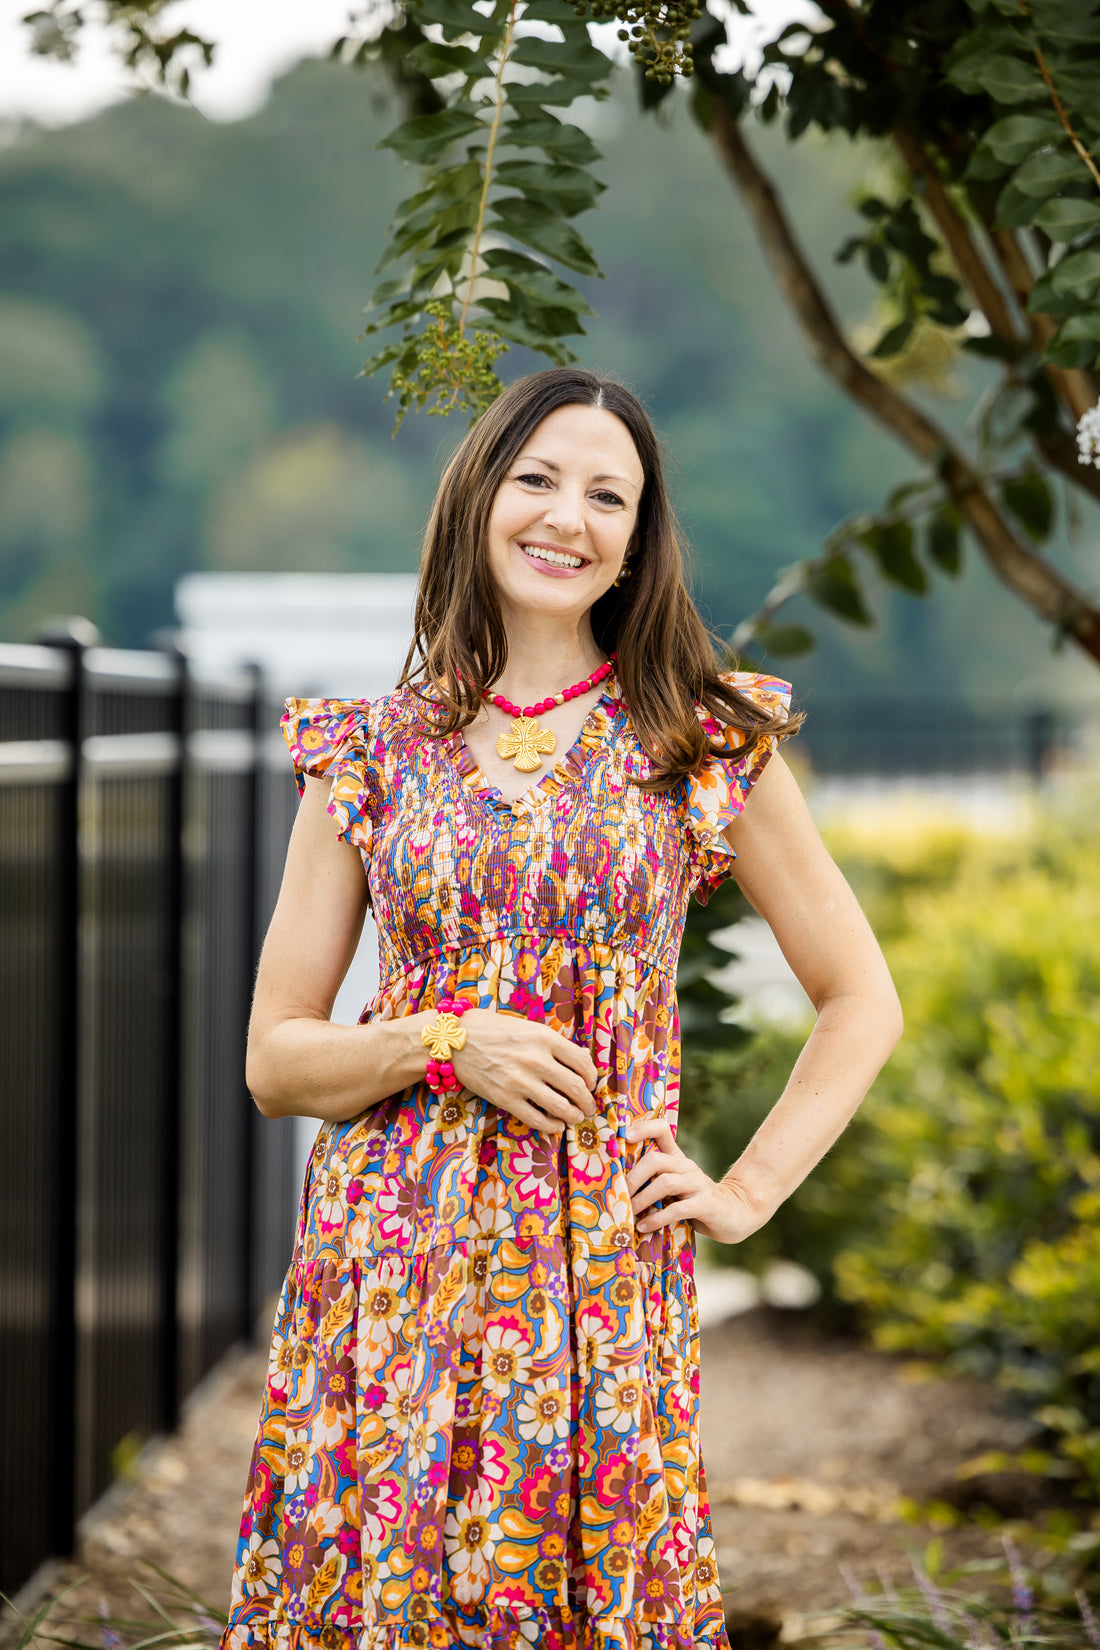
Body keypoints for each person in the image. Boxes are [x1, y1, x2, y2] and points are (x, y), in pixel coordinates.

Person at [221, 366, 903, 1650]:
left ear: (639, 540)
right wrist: (440, 1040)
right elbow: (274, 1058)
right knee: (385, 1593)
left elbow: (858, 996)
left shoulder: (697, 742)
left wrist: (746, 1191)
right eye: (537, 478)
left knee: (586, 1593)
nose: (566, 516)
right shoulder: (366, 755)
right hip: (388, 1265)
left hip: (595, 1273)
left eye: (609, 495)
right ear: (478, 496)